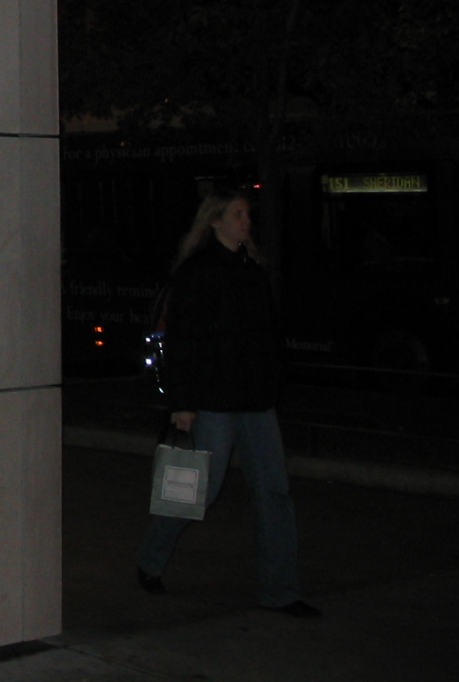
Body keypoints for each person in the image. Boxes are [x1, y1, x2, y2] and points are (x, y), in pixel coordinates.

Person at [134, 188, 321, 617]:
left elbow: (267, 335)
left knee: (274, 493)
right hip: (215, 401)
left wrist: (274, 379)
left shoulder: (253, 270)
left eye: (247, 215)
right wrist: (182, 403)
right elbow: (180, 343)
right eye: (237, 214)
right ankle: (150, 559)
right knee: (198, 492)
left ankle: (282, 591)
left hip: (256, 402)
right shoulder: (196, 273)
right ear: (215, 221)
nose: (245, 221)